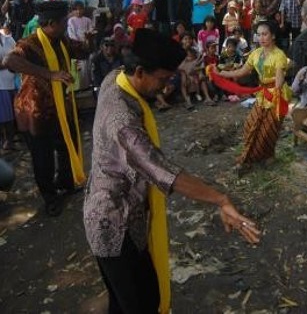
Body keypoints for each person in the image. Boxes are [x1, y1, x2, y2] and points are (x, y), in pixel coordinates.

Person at [83, 29, 260, 313]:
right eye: (163, 80)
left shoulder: (115, 78)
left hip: (130, 213)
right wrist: (221, 199)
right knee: (135, 304)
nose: (167, 88)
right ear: (139, 71)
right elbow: (162, 170)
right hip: (113, 223)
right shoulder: (123, 121)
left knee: (138, 297)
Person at [3, 1, 90, 216]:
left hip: (61, 107)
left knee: (66, 146)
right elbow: (9, 60)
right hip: (35, 112)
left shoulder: (61, 40)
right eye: (64, 22)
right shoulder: (30, 43)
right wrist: (50, 74)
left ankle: (66, 183)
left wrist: (90, 39)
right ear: (51, 23)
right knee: (43, 158)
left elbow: (84, 52)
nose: (66, 25)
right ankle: (50, 197)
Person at [214, 20, 291, 171]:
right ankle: (254, 155)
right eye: (259, 34)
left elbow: (280, 78)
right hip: (263, 93)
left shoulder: (279, 55)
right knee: (251, 124)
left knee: (269, 129)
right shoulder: (255, 54)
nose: (261, 38)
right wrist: (221, 73)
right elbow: (241, 71)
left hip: (277, 95)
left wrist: (275, 92)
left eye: (265, 34)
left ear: (273, 36)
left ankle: (268, 156)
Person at [0, 27, 16, 150]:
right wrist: (8, 63)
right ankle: (7, 140)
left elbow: (17, 55)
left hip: (12, 81)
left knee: (12, 114)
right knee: (5, 116)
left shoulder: (8, 39)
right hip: (1, 85)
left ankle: (10, 139)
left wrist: (8, 62)